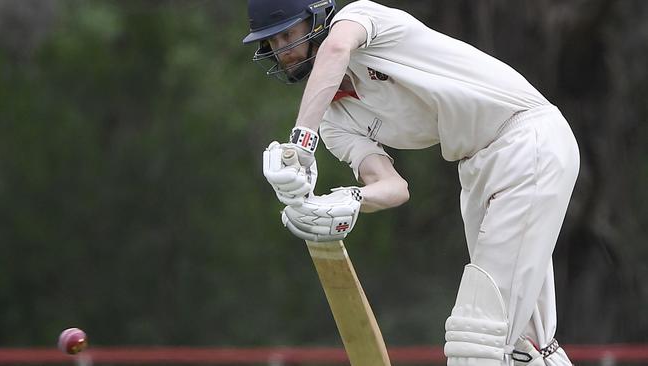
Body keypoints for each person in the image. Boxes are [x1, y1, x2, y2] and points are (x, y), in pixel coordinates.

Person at [243, 1, 579, 365]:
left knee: (476, 340)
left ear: (317, 18)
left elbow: (337, 49)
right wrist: (348, 200)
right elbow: (393, 187)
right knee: (526, 346)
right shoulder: (334, 122)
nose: (283, 50)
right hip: (479, 168)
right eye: (273, 42)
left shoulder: (359, 20)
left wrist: (300, 144)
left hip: (525, 140)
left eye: (288, 34)